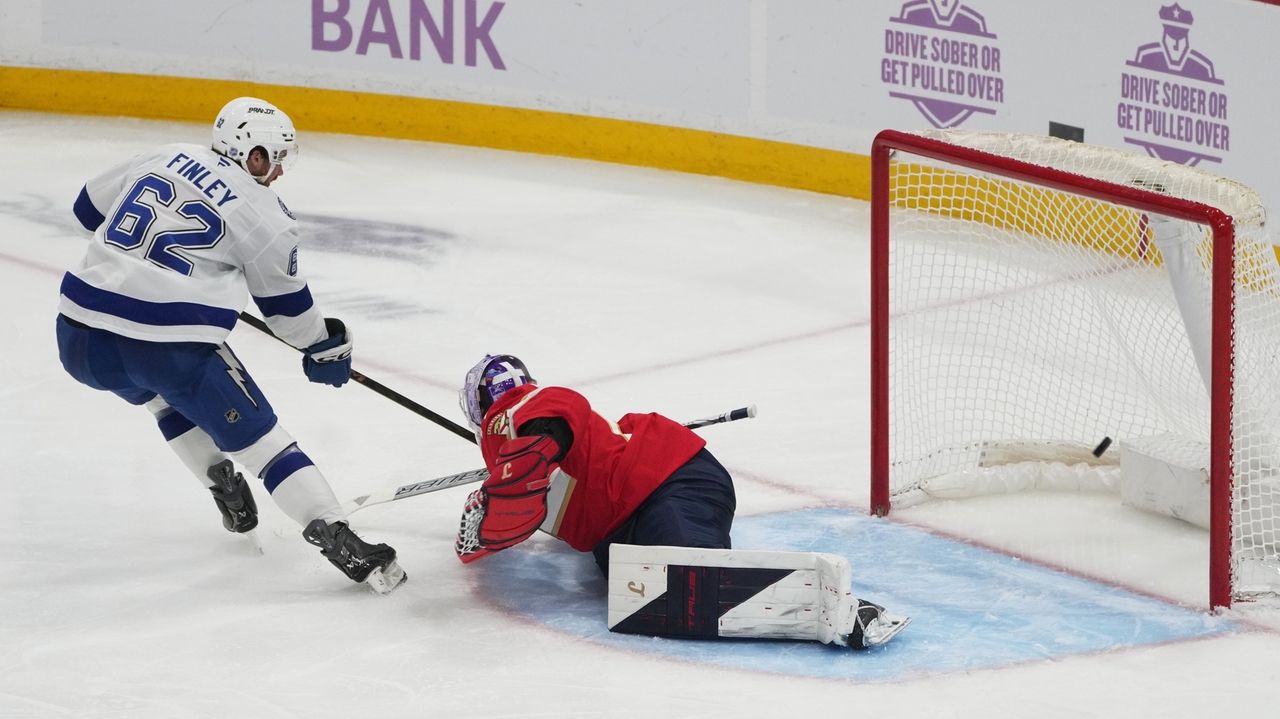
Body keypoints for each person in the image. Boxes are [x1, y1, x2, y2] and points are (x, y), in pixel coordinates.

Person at [54, 96, 405, 594]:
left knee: (161, 400)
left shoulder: (164, 154)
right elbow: (287, 315)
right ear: (253, 155)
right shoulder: (265, 214)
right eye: (275, 159)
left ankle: (224, 487)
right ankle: (340, 539)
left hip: (78, 335)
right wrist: (326, 347)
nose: (278, 172)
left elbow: (86, 210)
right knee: (264, 444)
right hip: (164, 349)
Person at [453, 354, 909, 648]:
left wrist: (537, 447)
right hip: (625, 522)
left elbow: (556, 411)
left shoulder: (518, 413)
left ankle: (842, 610)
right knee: (645, 593)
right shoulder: (514, 460)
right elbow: (529, 506)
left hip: (668, 482)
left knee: (694, 582)